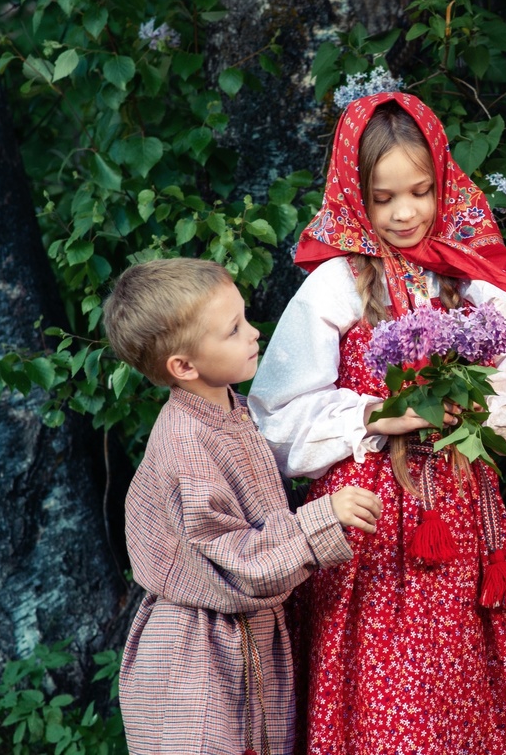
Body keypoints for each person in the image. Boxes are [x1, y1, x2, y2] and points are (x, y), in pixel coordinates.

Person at [249, 92, 506, 755]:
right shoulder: (335, 283)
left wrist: (475, 409)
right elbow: (274, 419)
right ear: (355, 194)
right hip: (366, 526)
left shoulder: (476, 280)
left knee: (453, 689)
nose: (405, 212)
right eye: (384, 197)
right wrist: (382, 414)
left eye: (420, 191)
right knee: (379, 697)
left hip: (457, 519)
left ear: (444, 179)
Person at [105, 256, 381, 755]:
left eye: (245, 319)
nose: (254, 334)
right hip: (199, 655)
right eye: (233, 330)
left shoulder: (232, 410)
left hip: (244, 641)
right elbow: (234, 562)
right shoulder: (185, 441)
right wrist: (323, 517)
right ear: (183, 366)